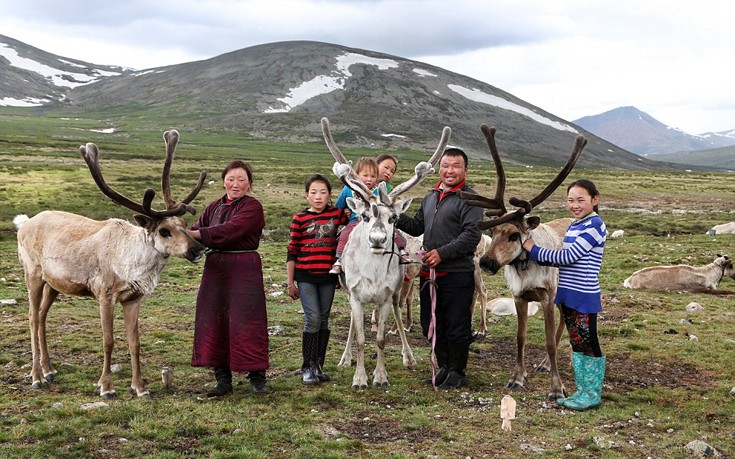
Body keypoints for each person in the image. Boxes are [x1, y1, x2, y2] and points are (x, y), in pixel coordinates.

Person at [396, 147, 483, 389]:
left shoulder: (471, 200)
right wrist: (394, 215)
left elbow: (471, 235)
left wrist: (442, 253)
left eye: (456, 166)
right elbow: (416, 226)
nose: (450, 170)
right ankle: (444, 366)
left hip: (456, 273)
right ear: (440, 168)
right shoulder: (431, 196)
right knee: (431, 322)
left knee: (457, 323)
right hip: (429, 274)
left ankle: (458, 370)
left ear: (465, 169)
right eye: (445, 165)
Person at [522, 179, 607, 411]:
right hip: (569, 292)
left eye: (581, 200)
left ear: (594, 200)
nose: (575, 205)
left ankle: (591, 393)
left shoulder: (594, 225)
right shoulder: (577, 225)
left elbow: (567, 257)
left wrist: (533, 249)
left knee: (587, 342)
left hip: (583, 293)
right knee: (577, 341)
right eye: (570, 200)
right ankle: (583, 390)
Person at [188, 160, 269, 397]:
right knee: (215, 320)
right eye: (231, 179)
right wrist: (183, 240)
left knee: (248, 321)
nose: (235, 184)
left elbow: (232, 229)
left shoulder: (253, 207)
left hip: (244, 269)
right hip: (216, 271)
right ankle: (222, 380)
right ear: (224, 180)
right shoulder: (213, 207)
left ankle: (257, 378)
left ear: (249, 184)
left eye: (241, 180)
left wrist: (197, 234)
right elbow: (195, 233)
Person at [287, 174, 348, 385]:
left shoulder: (338, 214)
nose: (318, 197)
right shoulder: (300, 218)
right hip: (306, 276)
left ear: (330, 195)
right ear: (306, 196)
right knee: (312, 319)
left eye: (323, 192)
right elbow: (292, 251)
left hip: (328, 277)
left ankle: (318, 366)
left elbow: (353, 225)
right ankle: (307, 367)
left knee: (323, 319)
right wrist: (290, 282)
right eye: (313, 192)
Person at [329, 157, 379, 275]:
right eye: (365, 175)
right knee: (344, 236)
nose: (369, 179)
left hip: (373, 224)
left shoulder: (377, 192)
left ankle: (399, 258)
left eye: (373, 176)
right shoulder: (348, 189)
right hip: (354, 223)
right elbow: (338, 208)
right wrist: (345, 213)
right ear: (356, 175)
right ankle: (339, 260)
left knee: (393, 236)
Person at [376, 153, 411, 269]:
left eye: (392, 171)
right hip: (363, 221)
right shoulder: (364, 184)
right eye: (386, 168)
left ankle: (400, 263)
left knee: (400, 240)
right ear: (376, 165)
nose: (388, 172)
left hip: (386, 222)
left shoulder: (391, 189)